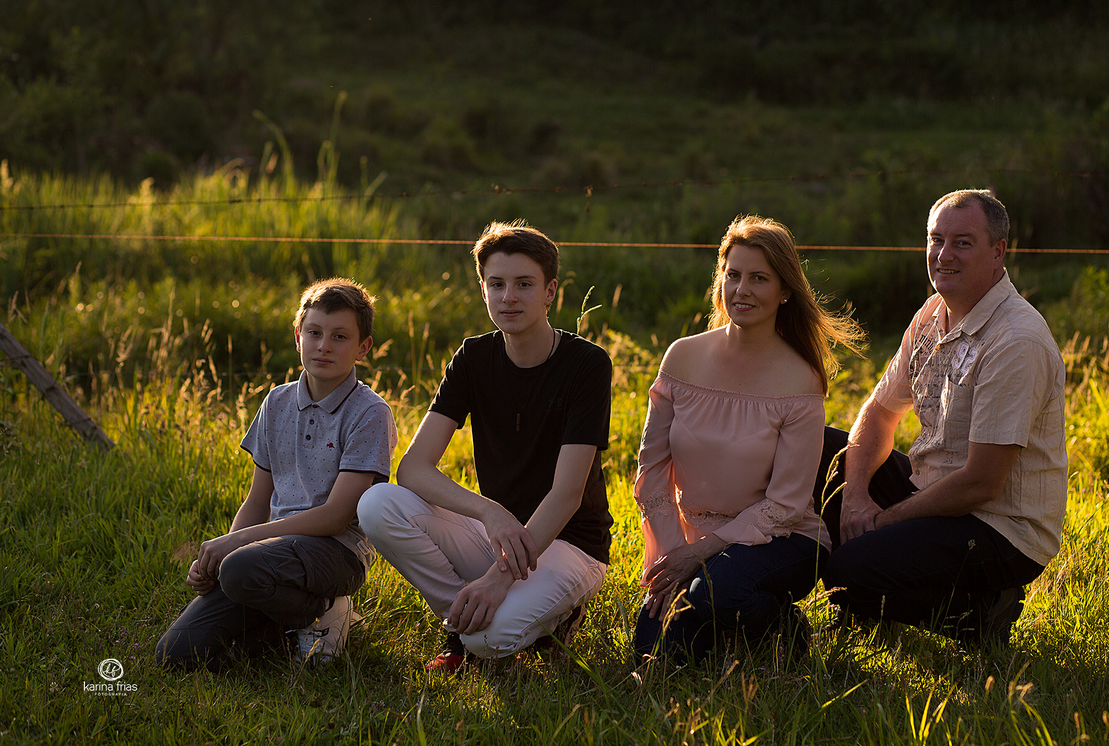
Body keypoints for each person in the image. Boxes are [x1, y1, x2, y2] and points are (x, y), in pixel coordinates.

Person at [358, 221, 612, 671]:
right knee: (378, 504)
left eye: (524, 284)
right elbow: (413, 469)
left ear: (550, 291)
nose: (508, 296)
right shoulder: (473, 358)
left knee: (490, 640)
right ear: (483, 290)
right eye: (496, 284)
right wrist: (489, 512)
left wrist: (498, 579)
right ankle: (461, 623)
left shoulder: (586, 364)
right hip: (499, 533)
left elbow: (568, 493)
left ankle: (540, 617)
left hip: (570, 542)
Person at [818, 189, 1067, 644]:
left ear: (998, 252)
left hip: (997, 528)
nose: (944, 255)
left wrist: (881, 522)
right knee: (821, 451)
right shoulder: (934, 313)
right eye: (936, 240)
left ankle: (979, 614)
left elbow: (981, 484)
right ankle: (867, 599)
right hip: (933, 493)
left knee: (847, 569)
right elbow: (877, 413)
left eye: (963, 243)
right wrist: (855, 496)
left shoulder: (1016, 340)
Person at [633, 215, 865, 663]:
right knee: (657, 653)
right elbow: (652, 469)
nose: (742, 290)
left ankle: (783, 628)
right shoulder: (682, 357)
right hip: (692, 536)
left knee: (716, 596)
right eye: (733, 275)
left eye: (759, 278)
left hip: (781, 539)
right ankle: (723, 625)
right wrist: (675, 555)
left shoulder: (800, 379)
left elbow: (785, 505)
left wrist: (698, 555)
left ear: (784, 291)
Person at [156, 278, 398, 670]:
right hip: (272, 554)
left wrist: (232, 549)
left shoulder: (369, 413)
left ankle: (323, 610)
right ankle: (282, 628)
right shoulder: (277, 401)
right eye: (314, 333)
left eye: (340, 336)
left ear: (363, 347)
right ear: (298, 335)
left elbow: (336, 516)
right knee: (175, 655)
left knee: (238, 567)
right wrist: (220, 557)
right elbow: (257, 499)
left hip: (337, 553)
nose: (324, 346)